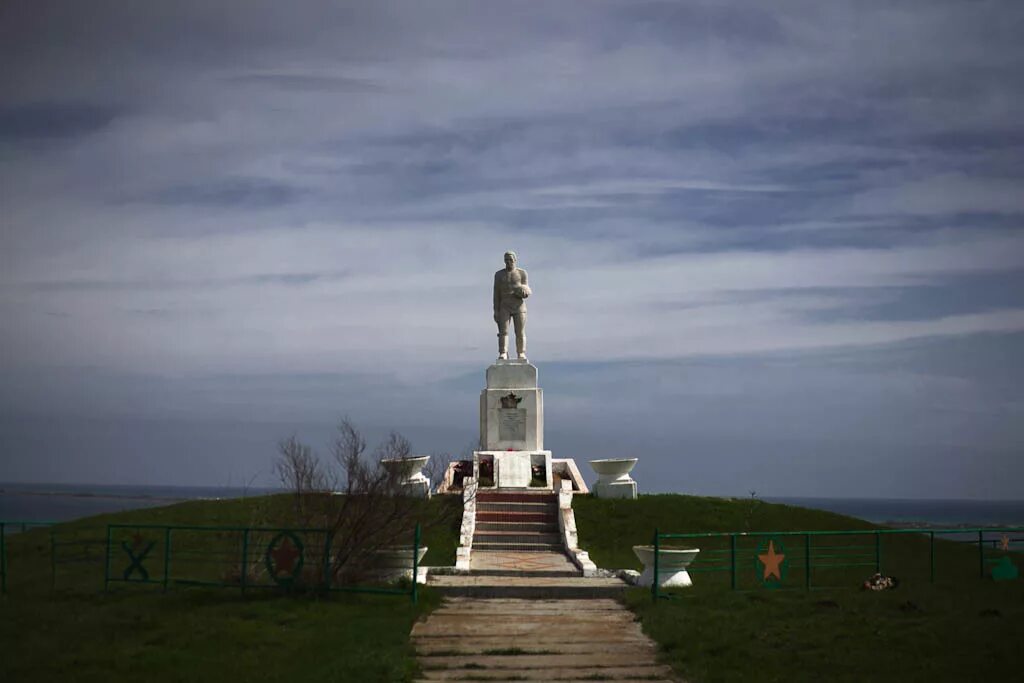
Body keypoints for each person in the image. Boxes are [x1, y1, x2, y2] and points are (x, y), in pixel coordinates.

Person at [493, 251, 530, 359]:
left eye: (510, 260)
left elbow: (527, 288)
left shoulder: (522, 273)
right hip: (504, 305)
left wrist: (524, 291)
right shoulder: (499, 274)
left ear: (515, 260)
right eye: (506, 260)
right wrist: (496, 310)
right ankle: (503, 352)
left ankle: (521, 353)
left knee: (520, 331)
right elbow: (496, 293)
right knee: (503, 331)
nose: (508, 262)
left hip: (519, 306)